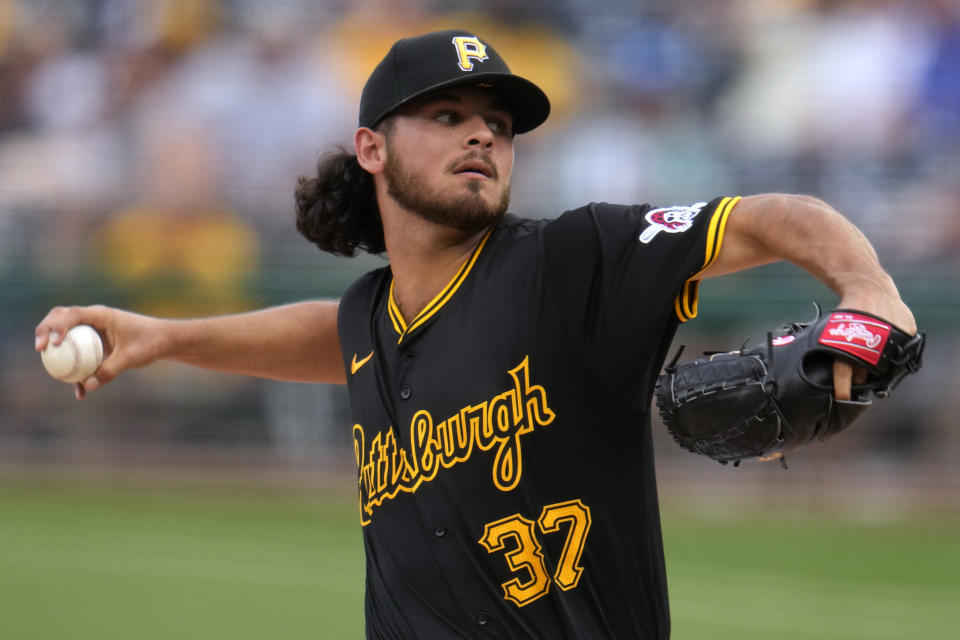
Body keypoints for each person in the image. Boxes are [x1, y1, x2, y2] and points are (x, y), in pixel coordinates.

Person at [35, 30, 917, 639]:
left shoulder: (575, 260)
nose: (483, 137)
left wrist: (869, 291)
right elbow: (329, 337)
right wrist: (161, 336)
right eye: (448, 117)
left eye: (497, 125)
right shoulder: (370, 319)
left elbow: (775, 217)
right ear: (373, 149)